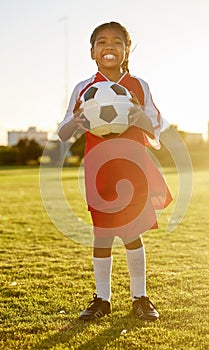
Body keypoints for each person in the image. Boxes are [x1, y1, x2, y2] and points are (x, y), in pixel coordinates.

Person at [58, 21, 172, 321]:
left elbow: (155, 126)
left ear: (127, 50)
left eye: (117, 42)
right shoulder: (84, 89)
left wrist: (136, 117)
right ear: (92, 52)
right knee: (103, 234)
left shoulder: (139, 85)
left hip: (133, 165)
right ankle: (102, 299)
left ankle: (140, 298)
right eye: (102, 42)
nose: (110, 46)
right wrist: (78, 121)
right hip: (100, 168)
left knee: (132, 232)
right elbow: (63, 131)